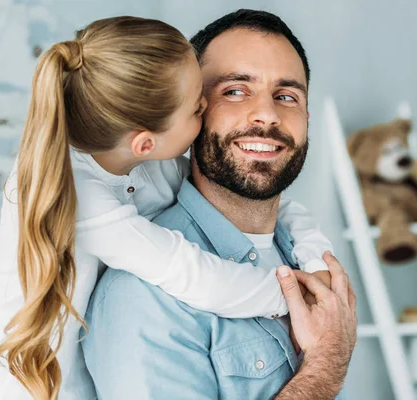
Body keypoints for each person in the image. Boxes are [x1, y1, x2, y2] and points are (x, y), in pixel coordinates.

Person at [0, 15, 335, 400]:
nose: (265, 114)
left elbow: (278, 207)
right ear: (146, 142)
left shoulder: (151, 164)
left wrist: (318, 263)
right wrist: (298, 301)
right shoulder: (81, 196)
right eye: (208, 104)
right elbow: (190, 273)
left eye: (286, 96)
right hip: (18, 385)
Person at [81, 9, 357, 399]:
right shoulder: (144, 295)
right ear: (192, 111)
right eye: (234, 91)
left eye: (286, 96)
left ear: (306, 117)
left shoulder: (302, 256)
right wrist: (327, 365)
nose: (267, 113)